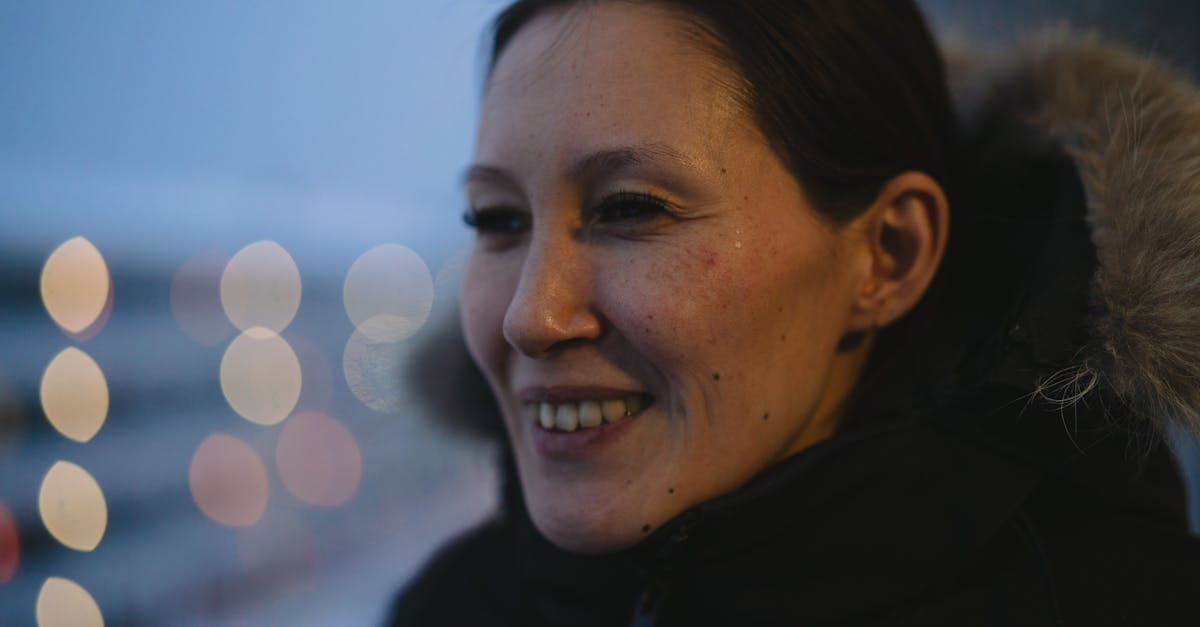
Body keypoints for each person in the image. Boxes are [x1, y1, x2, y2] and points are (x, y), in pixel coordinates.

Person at [390, 1, 1200, 625]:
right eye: (497, 218)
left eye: (631, 207)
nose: (530, 317)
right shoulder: (449, 608)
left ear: (888, 254)